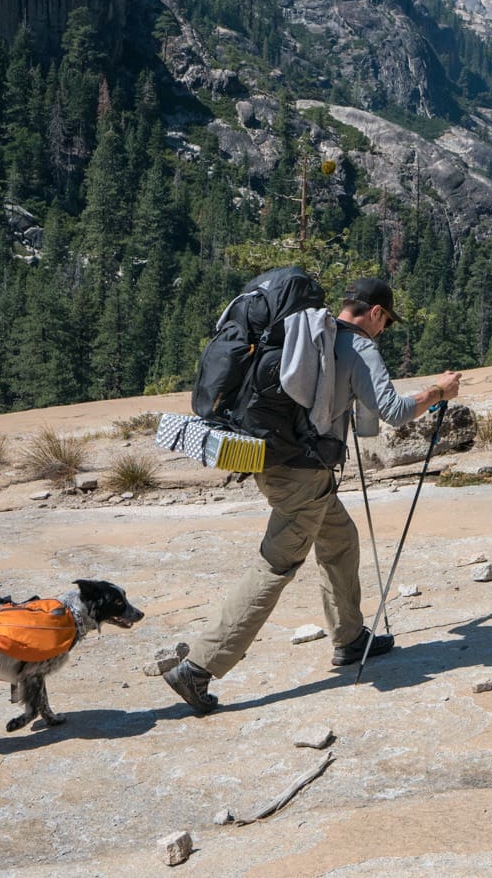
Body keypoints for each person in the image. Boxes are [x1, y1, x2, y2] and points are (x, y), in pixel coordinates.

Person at [161, 277, 461, 715]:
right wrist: (437, 392)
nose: (384, 330)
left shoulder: (305, 334)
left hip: (273, 459)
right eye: (387, 322)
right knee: (276, 564)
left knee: (340, 538)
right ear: (375, 312)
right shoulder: (357, 346)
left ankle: (350, 637)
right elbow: (394, 412)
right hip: (303, 473)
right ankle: (199, 667)